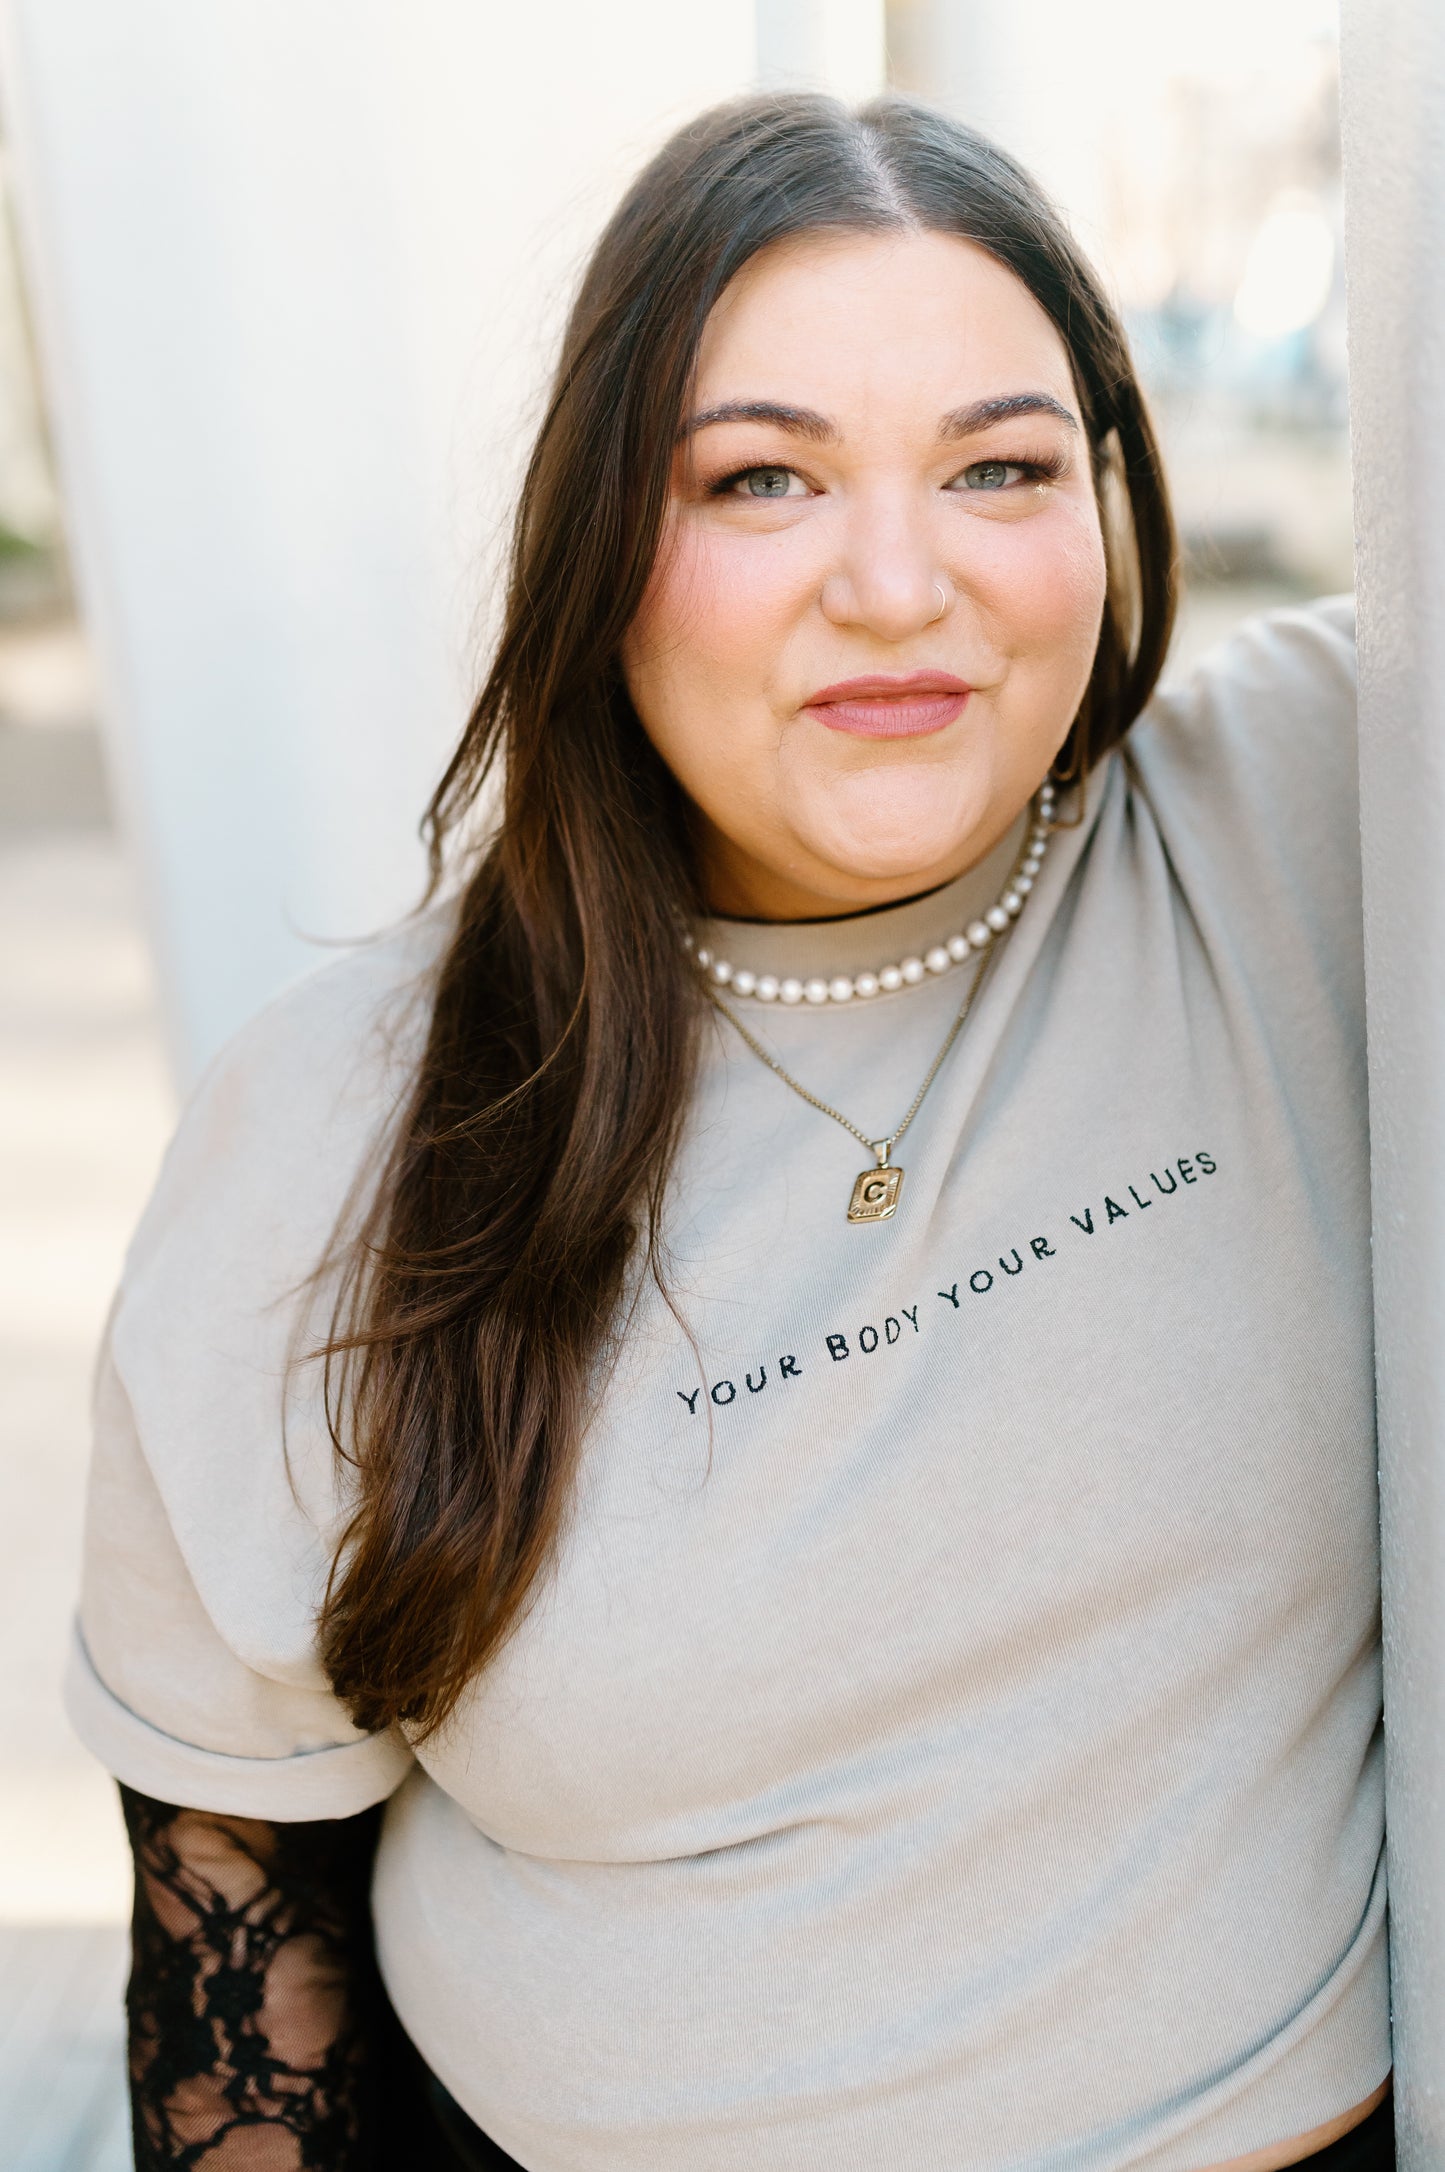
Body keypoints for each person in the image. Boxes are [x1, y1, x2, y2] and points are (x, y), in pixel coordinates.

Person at [67, 92, 1388, 2172]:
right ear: (596, 543)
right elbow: (239, 1908)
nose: (898, 581)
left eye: (1000, 467)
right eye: (761, 477)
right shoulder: (336, 1132)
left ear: (1115, 505)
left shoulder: (1323, 821)